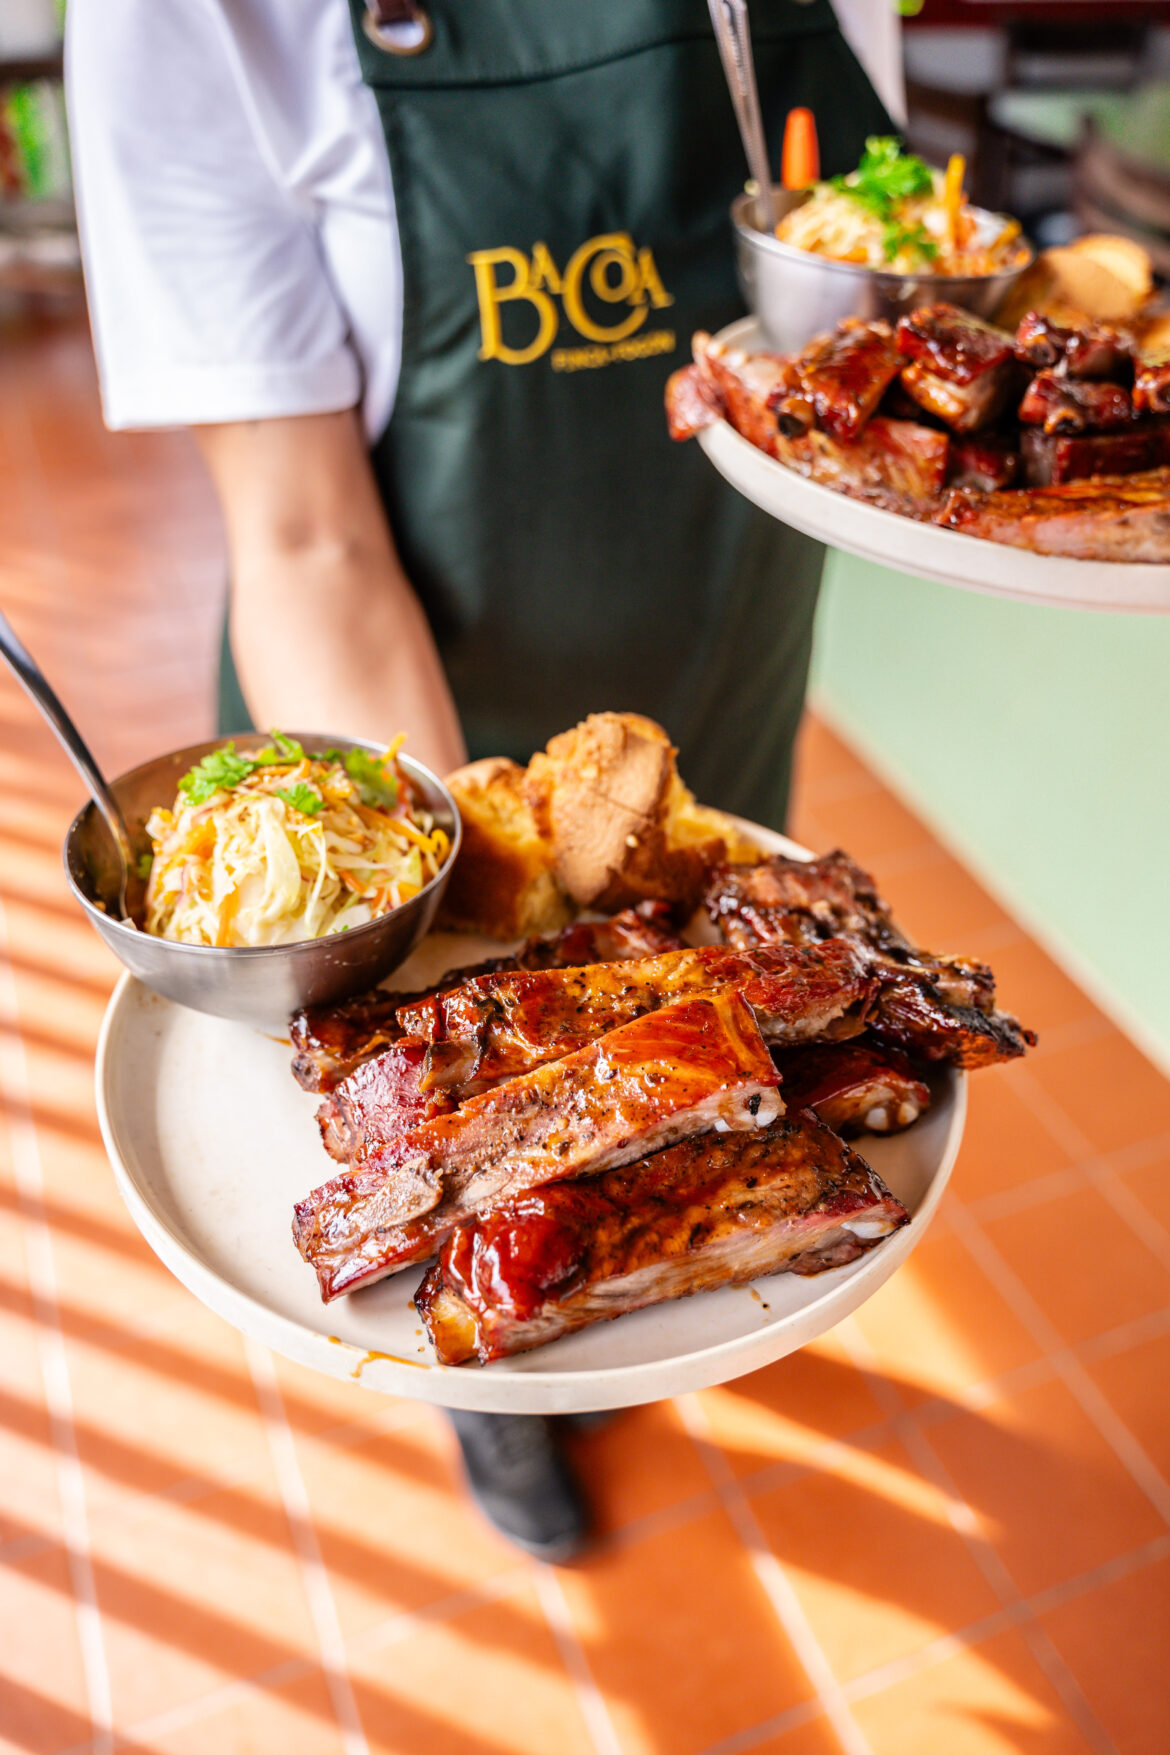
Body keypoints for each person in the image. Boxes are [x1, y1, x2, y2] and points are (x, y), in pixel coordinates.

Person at [67, 0, 901, 1561]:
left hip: (719, 668)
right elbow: (304, 535)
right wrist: (496, 961)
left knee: (754, 1063)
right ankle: (506, 1386)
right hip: (398, 754)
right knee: (473, 1164)